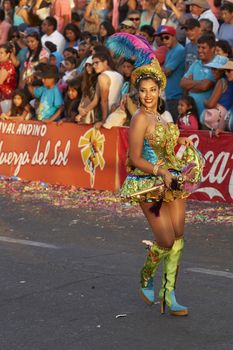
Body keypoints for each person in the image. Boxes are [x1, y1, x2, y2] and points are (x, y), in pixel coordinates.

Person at [120, 60, 203, 316]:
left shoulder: (161, 116)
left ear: (160, 91)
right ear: (138, 92)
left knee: (178, 238)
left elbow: (163, 142)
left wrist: (181, 138)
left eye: (152, 90)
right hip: (148, 182)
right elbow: (135, 158)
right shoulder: (139, 118)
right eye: (143, 90)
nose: (147, 95)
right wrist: (161, 171)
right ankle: (147, 277)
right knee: (165, 240)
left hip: (172, 178)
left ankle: (169, 295)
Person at [79, 52, 123, 127]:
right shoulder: (119, 75)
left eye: (97, 63)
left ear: (105, 62)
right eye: (93, 64)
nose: (94, 66)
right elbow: (95, 100)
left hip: (108, 119)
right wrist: (84, 112)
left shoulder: (102, 77)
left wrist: (103, 120)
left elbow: (104, 101)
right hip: (118, 116)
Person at [180, 34, 216, 122]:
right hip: (191, 117)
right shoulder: (195, 64)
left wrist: (191, 85)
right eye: (198, 47)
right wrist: (199, 83)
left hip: (207, 118)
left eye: (203, 48)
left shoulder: (215, 66)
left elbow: (205, 86)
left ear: (212, 49)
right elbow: (182, 83)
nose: (200, 50)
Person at [157, 25, 185, 122]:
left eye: (167, 37)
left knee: (172, 127)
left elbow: (167, 71)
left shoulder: (179, 50)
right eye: (162, 38)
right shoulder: (170, 50)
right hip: (169, 95)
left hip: (176, 96)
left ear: (174, 36)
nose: (164, 40)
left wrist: (151, 64)